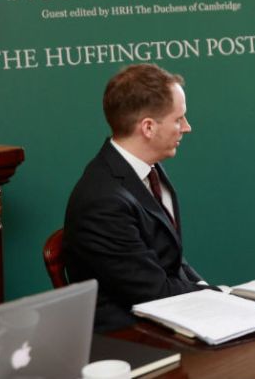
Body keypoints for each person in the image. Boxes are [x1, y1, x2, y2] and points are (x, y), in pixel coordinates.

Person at [64, 63, 215, 332]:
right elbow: (153, 292)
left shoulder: (148, 167)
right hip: (130, 336)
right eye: (179, 119)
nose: (187, 127)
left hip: (167, 314)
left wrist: (211, 291)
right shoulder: (102, 202)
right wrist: (216, 300)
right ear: (148, 127)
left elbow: (172, 261)